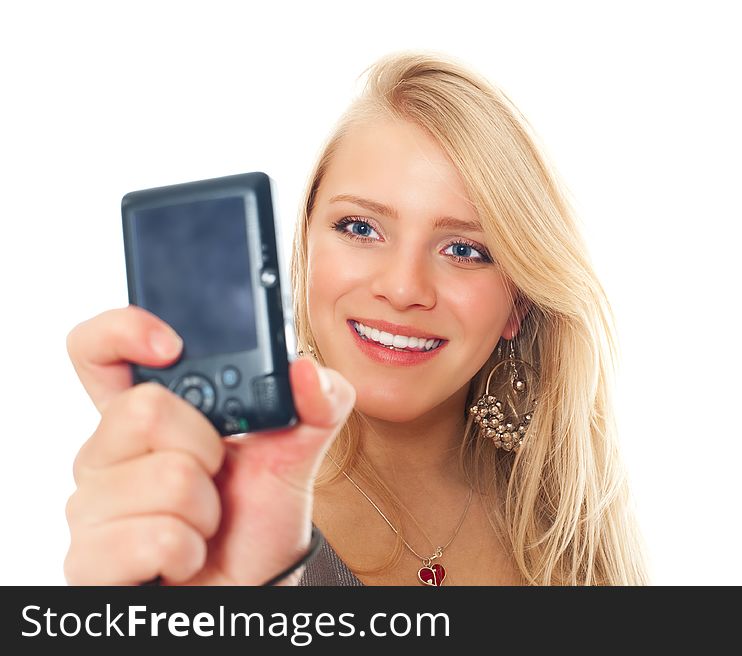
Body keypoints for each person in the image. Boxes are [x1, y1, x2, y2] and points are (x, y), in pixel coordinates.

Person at [64, 51, 649, 586]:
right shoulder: (213, 517)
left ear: (517, 304)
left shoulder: (573, 519)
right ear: (306, 251)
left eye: (465, 250)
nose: (402, 289)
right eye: (360, 228)